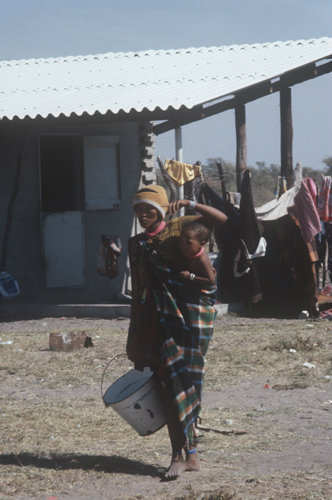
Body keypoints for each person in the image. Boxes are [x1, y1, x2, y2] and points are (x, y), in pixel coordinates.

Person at [126, 185, 227, 480]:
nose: (143, 215)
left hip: (191, 318)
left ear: (161, 209)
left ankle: (191, 454)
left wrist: (188, 202)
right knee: (167, 384)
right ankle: (177, 454)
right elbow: (138, 287)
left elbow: (221, 220)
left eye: (149, 209)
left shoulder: (180, 228)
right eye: (138, 210)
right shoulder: (136, 244)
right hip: (158, 319)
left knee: (188, 383)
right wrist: (134, 332)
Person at [178, 220, 216, 288]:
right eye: (181, 241)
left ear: (202, 243)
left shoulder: (202, 259)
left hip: (205, 293)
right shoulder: (191, 253)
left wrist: (190, 276)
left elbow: (211, 281)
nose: (183, 246)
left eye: (188, 243)